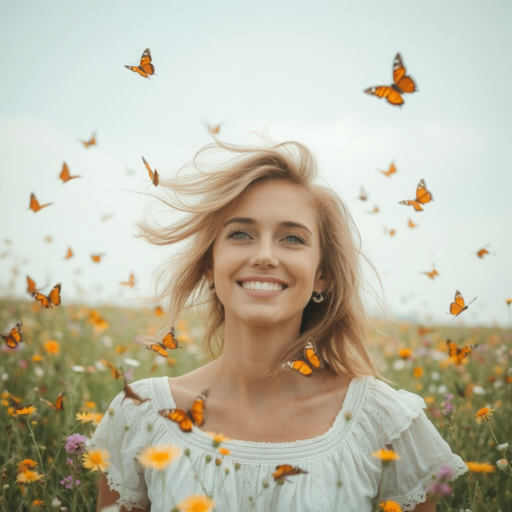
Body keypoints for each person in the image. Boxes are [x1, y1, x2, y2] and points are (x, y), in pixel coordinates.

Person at [93, 139, 467, 512]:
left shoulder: (384, 423)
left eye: (292, 238)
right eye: (241, 233)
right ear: (211, 263)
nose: (265, 256)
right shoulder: (139, 414)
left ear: (322, 274)